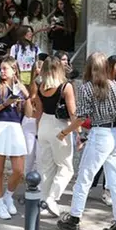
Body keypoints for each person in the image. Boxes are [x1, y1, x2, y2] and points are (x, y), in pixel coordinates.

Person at [56, 52, 116, 230]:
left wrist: (65, 132)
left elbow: (81, 117)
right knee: (115, 180)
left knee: (84, 178)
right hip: (114, 135)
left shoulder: (87, 88)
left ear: (89, 67)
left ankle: (74, 219)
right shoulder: (114, 86)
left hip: (100, 134)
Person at [0, 57, 33, 220]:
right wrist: (5, 103)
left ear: (14, 70)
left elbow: (29, 114)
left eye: (5, 68)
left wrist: (27, 96)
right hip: (0, 128)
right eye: (1, 68)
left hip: (16, 129)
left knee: (19, 170)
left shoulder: (20, 88)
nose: (2, 71)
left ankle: (8, 196)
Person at [33, 56, 77, 217]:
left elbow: (38, 111)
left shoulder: (40, 86)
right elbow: (73, 113)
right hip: (60, 126)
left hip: (44, 123)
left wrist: (38, 130)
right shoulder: (66, 87)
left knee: (46, 167)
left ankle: (43, 201)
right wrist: (79, 133)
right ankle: (52, 198)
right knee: (66, 167)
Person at [91, 54, 116, 206]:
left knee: (111, 164)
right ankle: (89, 186)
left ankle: (107, 191)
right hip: (102, 127)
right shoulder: (103, 83)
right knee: (97, 163)